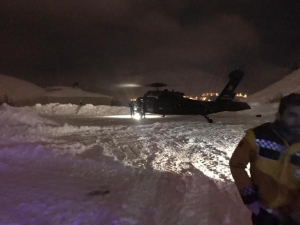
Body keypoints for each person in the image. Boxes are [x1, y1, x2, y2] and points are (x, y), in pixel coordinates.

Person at [230, 93, 300, 225]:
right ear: (279, 115)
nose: (298, 121)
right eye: (292, 115)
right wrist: (251, 199)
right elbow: (237, 164)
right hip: (264, 211)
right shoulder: (257, 137)